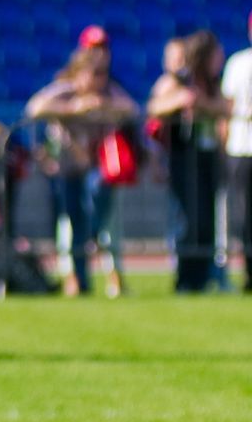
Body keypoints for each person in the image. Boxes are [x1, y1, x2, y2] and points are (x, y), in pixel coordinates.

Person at [23, 37, 139, 297]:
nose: (97, 80)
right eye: (93, 74)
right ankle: (77, 279)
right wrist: (73, 108)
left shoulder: (108, 92)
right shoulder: (65, 89)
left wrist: (106, 106)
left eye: (101, 74)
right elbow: (34, 107)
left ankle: (105, 264)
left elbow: (132, 109)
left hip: (96, 170)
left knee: (99, 210)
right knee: (72, 225)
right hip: (67, 170)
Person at [147, 29, 228, 293]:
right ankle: (186, 279)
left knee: (207, 221)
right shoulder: (180, 81)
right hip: (184, 158)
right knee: (189, 220)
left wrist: (203, 104)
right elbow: (154, 106)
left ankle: (202, 278)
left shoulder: (213, 83)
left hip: (207, 158)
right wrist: (180, 101)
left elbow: (227, 107)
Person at [224, 13, 252, 290]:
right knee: (244, 215)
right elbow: (227, 106)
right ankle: (249, 271)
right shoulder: (239, 62)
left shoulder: (238, 62)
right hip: (243, 146)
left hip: (240, 148)